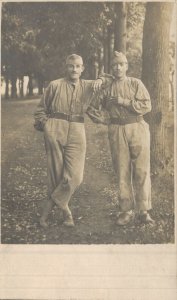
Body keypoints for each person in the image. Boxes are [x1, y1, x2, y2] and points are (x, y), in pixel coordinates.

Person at [34, 54, 103, 228]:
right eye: (71, 66)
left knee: (75, 177)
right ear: (66, 67)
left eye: (78, 66)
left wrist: (101, 79)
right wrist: (47, 125)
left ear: (82, 68)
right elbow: (41, 110)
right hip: (55, 128)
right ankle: (66, 214)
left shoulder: (88, 86)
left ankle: (48, 210)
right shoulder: (55, 85)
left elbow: (110, 80)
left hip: (78, 129)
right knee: (56, 175)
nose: (74, 69)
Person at [87, 51, 154, 226]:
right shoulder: (106, 88)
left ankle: (143, 210)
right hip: (116, 129)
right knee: (122, 171)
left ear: (126, 66)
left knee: (141, 169)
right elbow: (91, 108)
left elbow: (147, 105)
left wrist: (123, 101)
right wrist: (106, 120)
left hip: (138, 127)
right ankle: (126, 210)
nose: (118, 67)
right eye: (115, 65)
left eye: (121, 64)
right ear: (111, 68)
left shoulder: (135, 83)